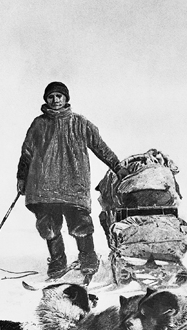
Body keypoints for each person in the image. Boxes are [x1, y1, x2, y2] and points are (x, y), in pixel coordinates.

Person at [17, 81, 129, 278]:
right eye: (51, 97)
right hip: (44, 185)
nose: (55, 100)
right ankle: (58, 262)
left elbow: (100, 147)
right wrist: (21, 176)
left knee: (80, 223)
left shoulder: (80, 123)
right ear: (46, 100)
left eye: (59, 96)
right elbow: (27, 152)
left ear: (66, 98)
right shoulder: (38, 124)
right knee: (48, 225)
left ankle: (88, 259)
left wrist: (117, 167)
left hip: (73, 183)